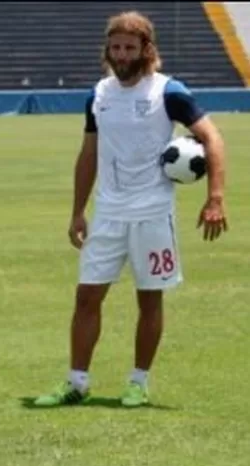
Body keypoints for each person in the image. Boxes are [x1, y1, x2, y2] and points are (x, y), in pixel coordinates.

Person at [34, 11, 228, 408]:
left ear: (145, 49)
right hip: (108, 213)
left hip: (153, 213)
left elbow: (212, 138)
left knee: (149, 299)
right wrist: (77, 211)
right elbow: (89, 154)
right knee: (87, 297)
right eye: (115, 47)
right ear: (107, 48)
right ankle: (77, 382)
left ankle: (138, 382)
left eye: (129, 47)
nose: (121, 55)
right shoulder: (99, 95)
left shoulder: (168, 92)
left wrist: (215, 197)